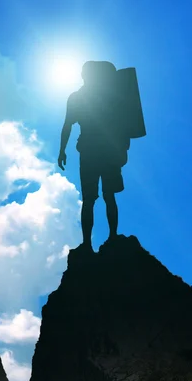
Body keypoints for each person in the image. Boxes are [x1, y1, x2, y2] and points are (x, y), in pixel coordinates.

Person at [58, 61, 130, 250]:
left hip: (101, 151)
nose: (83, 75)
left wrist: (62, 150)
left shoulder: (104, 97)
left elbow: (124, 124)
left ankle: (109, 237)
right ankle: (88, 244)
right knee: (93, 198)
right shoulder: (80, 98)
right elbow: (67, 125)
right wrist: (61, 150)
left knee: (106, 196)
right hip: (94, 151)